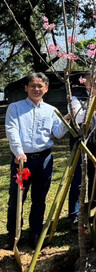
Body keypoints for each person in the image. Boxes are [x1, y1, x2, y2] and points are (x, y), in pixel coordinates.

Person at [5, 73, 69, 249]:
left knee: (39, 198)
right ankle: (14, 234)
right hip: (22, 161)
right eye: (32, 85)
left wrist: (68, 119)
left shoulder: (51, 111)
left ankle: (35, 232)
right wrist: (18, 152)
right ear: (26, 88)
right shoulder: (15, 108)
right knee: (17, 198)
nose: (36, 89)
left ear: (46, 89)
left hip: (44, 160)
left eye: (40, 86)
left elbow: (57, 133)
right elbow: (12, 130)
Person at [68, 70, 96, 230]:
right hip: (81, 145)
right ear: (84, 81)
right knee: (78, 181)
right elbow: (78, 118)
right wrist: (91, 106)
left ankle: (94, 210)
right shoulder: (77, 98)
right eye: (92, 79)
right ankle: (75, 215)